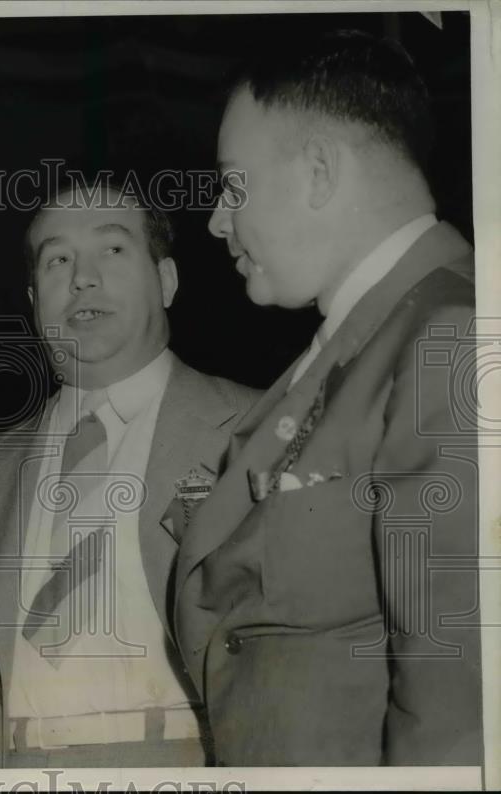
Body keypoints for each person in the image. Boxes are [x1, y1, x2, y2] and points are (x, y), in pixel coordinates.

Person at [174, 30, 482, 765]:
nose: (217, 220)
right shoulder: (368, 339)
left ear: (318, 171)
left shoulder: (453, 336)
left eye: (232, 186)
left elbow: (461, 712)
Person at [0, 181, 260, 768]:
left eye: (112, 249)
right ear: (35, 300)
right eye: (57, 260)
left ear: (167, 281)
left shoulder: (260, 433)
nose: (82, 278)